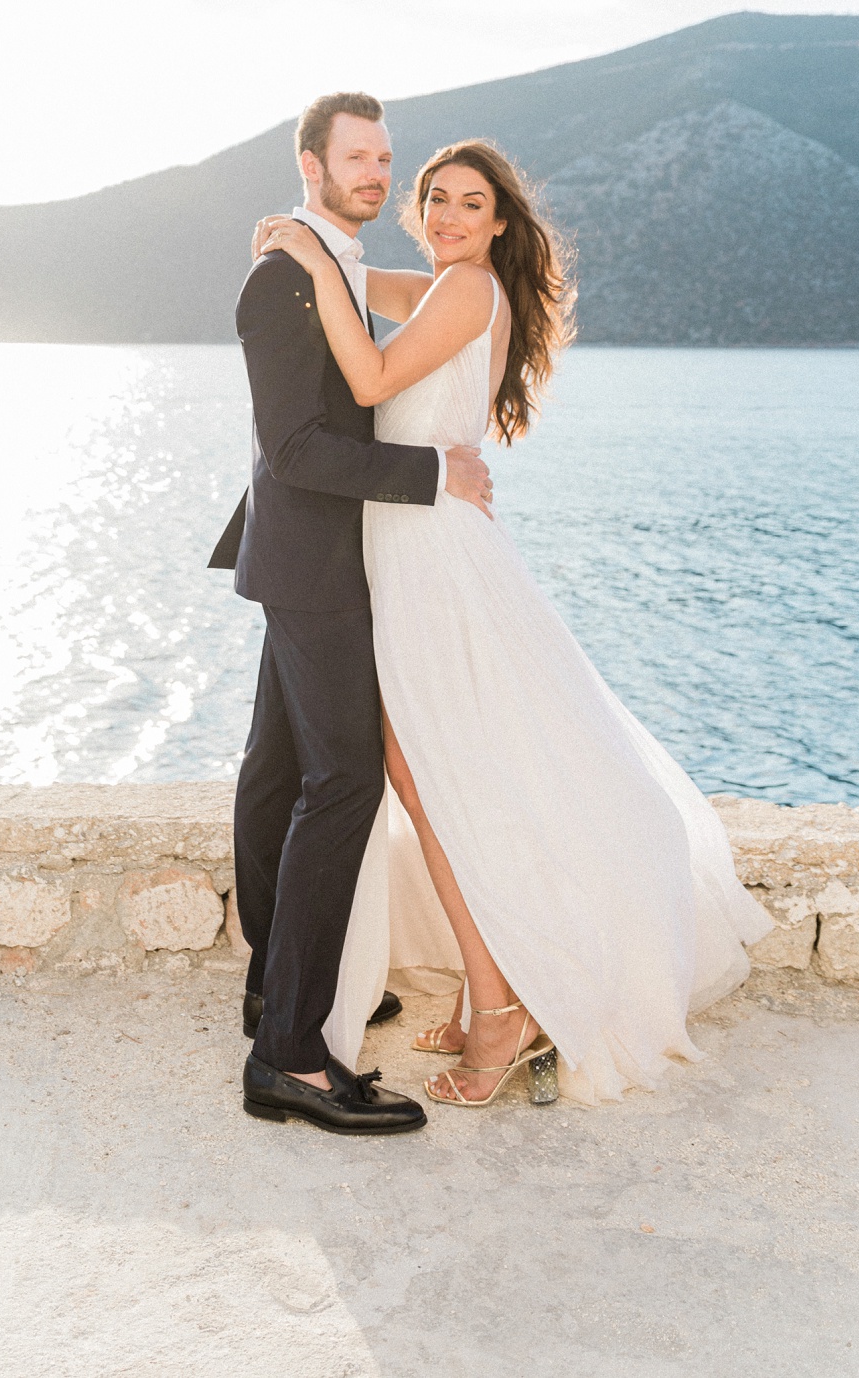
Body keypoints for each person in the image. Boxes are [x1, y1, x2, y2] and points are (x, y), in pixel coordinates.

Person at [254, 138, 773, 1108]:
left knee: (430, 771)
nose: (451, 216)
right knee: (432, 773)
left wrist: (317, 262)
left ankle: (499, 1013)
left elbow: (367, 381)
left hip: (431, 556)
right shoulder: (441, 284)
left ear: (499, 223)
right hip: (412, 543)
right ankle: (491, 988)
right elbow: (361, 291)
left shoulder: (464, 291)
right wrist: (317, 250)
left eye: (471, 204)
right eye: (436, 200)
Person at [209, 93, 494, 1135]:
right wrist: (436, 474)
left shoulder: (322, 266)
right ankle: (290, 1057)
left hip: (317, 559)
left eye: (385, 157)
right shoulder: (283, 279)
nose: (377, 172)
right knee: (344, 783)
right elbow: (298, 452)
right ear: (310, 163)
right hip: (318, 565)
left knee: (278, 773)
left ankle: (280, 993)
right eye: (358, 157)